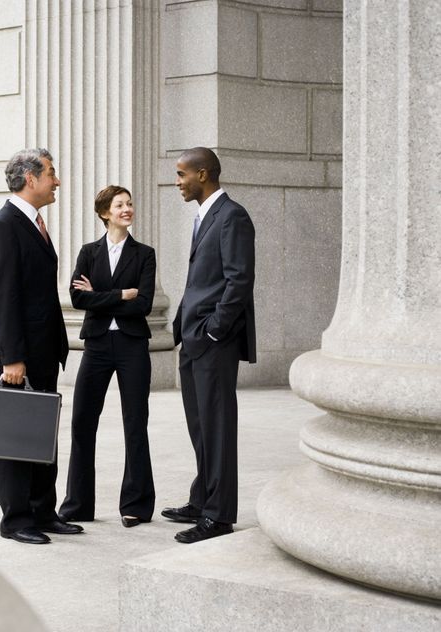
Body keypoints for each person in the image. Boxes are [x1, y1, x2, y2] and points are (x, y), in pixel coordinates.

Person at [0, 148, 82, 545]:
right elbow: (3, 297)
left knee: (41, 435)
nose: (56, 181)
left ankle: (42, 511)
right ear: (29, 179)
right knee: (16, 438)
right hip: (18, 356)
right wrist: (12, 358)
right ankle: (16, 520)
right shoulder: (4, 225)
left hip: (42, 350)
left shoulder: (34, 223)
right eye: (51, 173)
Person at [163, 147, 256, 543]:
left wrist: (214, 330)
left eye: (182, 174)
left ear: (203, 174)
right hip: (195, 339)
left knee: (217, 428)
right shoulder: (205, 217)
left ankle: (218, 516)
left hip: (214, 341)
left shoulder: (232, 216)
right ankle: (202, 498)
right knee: (200, 426)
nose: (178, 182)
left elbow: (239, 280)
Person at [58, 186, 156, 528]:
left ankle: (137, 505)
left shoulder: (144, 254)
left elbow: (143, 304)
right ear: (105, 213)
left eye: (130, 203)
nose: (127, 209)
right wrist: (120, 295)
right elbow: (77, 299)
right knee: (82, 421)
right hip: (97, 345)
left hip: (132, 346)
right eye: (120, 205)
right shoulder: (89, 252)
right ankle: (78, 505)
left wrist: (100, 295)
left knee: (135, 423)